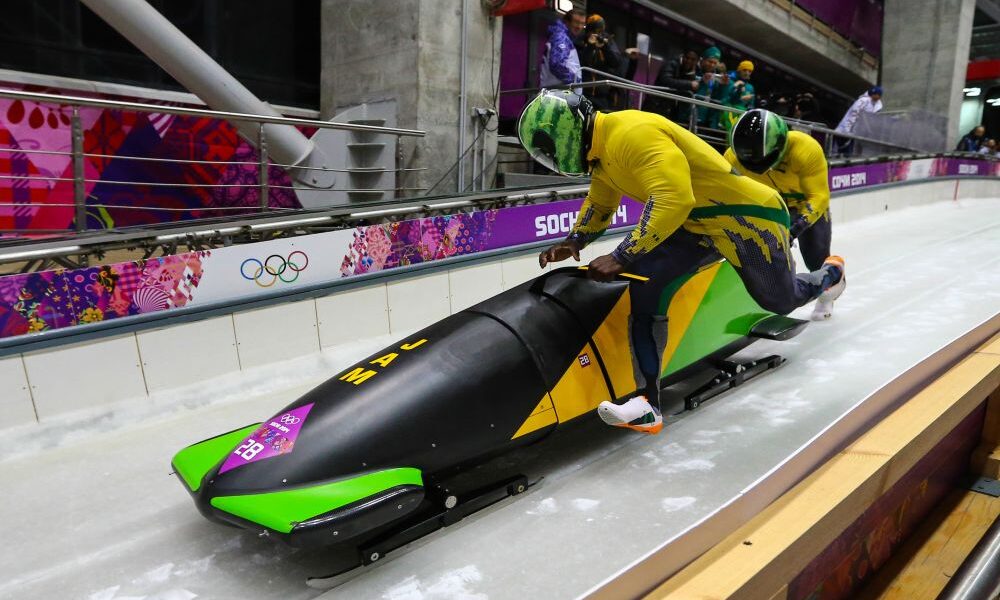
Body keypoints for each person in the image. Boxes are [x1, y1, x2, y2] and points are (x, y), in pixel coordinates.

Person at [517, 90, 846, 434]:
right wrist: (575, 240)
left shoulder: (631, 134)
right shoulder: (601, 155)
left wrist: (621, 255)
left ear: (566, 132)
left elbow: (674, 197)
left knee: (780, 300)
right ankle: (647, 404)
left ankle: (831, 273)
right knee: (646, 283)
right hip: (697, 223)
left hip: (748, 218)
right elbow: (600, 203)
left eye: (550, 152)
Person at [725, 109, 839, 320]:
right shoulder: (732, 157)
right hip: (769, 206)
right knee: (764, 254)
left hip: (805, 205)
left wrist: (796, 227)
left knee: (815, 256)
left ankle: (826, 294)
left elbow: (819, 196)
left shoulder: (805, 149)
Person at [578, 14, 624, 110]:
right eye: (594, 31)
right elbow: (580, 63)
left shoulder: (606, 41)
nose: (597, 34)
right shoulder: (581, 40)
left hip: (602, 96)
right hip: (583, 93)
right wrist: (590, 46)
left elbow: (616, 62)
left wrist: (604, 47)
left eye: (600, 31)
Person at [540, 9, 586, 91]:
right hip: (556, 95)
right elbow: (557, 65)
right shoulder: (561, 38)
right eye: (576, 22)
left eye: (582, 23)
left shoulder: (564, 38)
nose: (579, 27)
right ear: (567, 22)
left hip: (557, 94)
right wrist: (576, 81)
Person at [835, 86, 883, 156]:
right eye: (875, 94)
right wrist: (847, 130)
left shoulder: (876, 105)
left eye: (878, 95)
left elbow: (868, 120)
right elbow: (853, 115)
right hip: (846, 130)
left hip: (856, 132)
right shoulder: (863, 100)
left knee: (849, 153)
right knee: (844, 151)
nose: (877, 96)